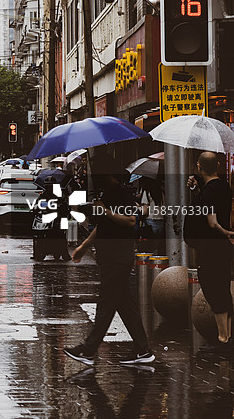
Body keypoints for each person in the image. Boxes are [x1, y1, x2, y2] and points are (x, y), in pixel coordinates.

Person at [64, 152, 155, 366]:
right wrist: (83, 247)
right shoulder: (107, 193)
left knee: (105, 304)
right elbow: (102, 228)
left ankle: (89, 350)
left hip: (118, 257)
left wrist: (105, 211)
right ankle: (143, 350)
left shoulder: (121, 193)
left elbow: (131, 220)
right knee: (126, 305)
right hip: (110, 257)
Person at [187, 151, 234, 349]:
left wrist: (226, 232)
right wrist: (198, 191)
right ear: (218, 166)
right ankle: (228, 336)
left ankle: (222, 339)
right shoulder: (224, 187)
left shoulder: (209, 192)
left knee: (213, 290)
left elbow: (212, 222)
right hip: (223, 248)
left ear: (199, 167)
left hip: (210, 248)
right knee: (223, 288)